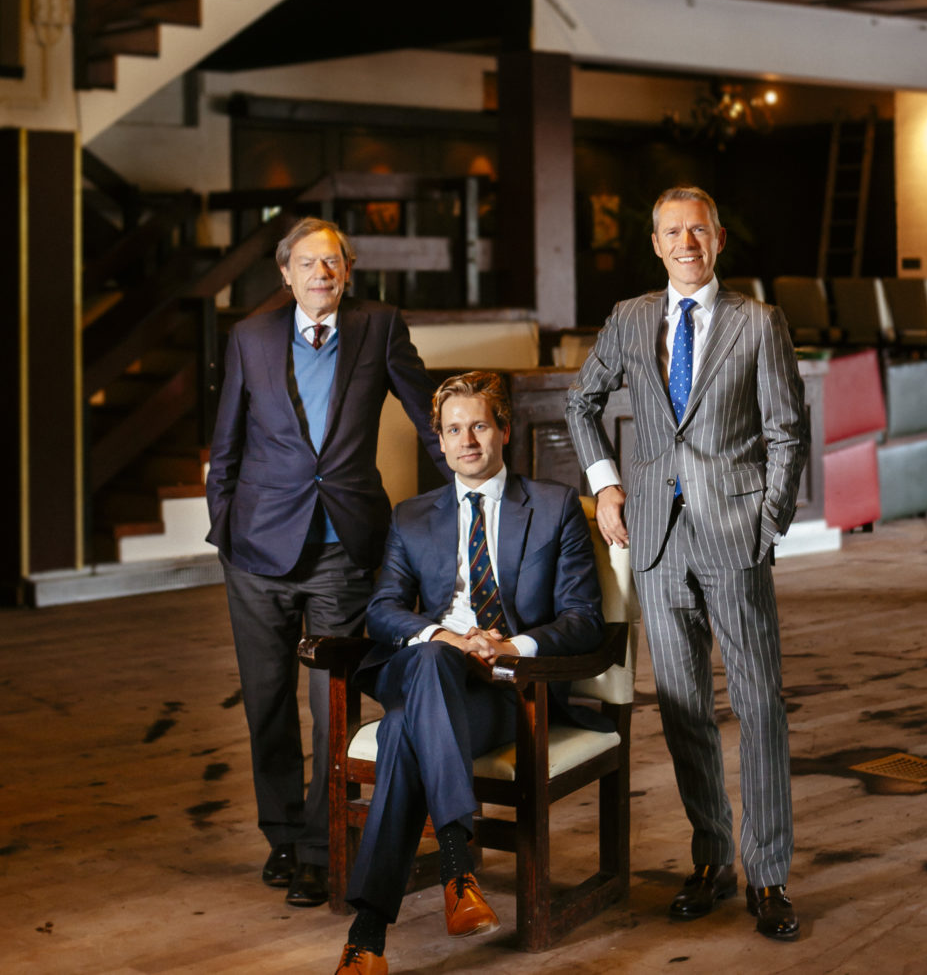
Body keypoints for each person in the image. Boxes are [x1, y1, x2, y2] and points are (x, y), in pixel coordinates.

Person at [566, 185, 809, 942]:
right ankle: (712, 859)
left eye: (697, 230)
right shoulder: (630, 318)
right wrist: (606, 486)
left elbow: (787, 431)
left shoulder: (758, 322)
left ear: (718, 239)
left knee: (759, 704)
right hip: (656, 542)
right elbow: (581, 403)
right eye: (671, 231)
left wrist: (767, 521)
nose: (685, 243)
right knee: (681, 708)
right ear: (655, 243)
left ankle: (767, 873)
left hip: (736, 535)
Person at [206, 216, 449, 907]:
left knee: (332, 706)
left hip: (344, 549)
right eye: (308, 263)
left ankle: (320, 847)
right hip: (257, 551)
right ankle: (283, 836)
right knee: (267, 704)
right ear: (285, 274)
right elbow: (226, 444)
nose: (321, 273)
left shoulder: (380, 327)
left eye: (333, 262)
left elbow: (429, 419)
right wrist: (226, 529)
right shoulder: (250, 337)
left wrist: (479, 492)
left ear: (348, 271)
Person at [335, 370, 610, 975]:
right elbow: (382, 609)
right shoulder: (412, 517)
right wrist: (448, 638)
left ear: (504, 430)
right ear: (438, 440)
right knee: (433, 658)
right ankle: (458, 868)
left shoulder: (555, 506)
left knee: (403, 732)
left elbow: (584, 619)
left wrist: (508, 645)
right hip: (433, 669)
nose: (466, 440)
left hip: (509, 690)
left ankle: (368, 937)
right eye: (453, 429)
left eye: (479, 426)